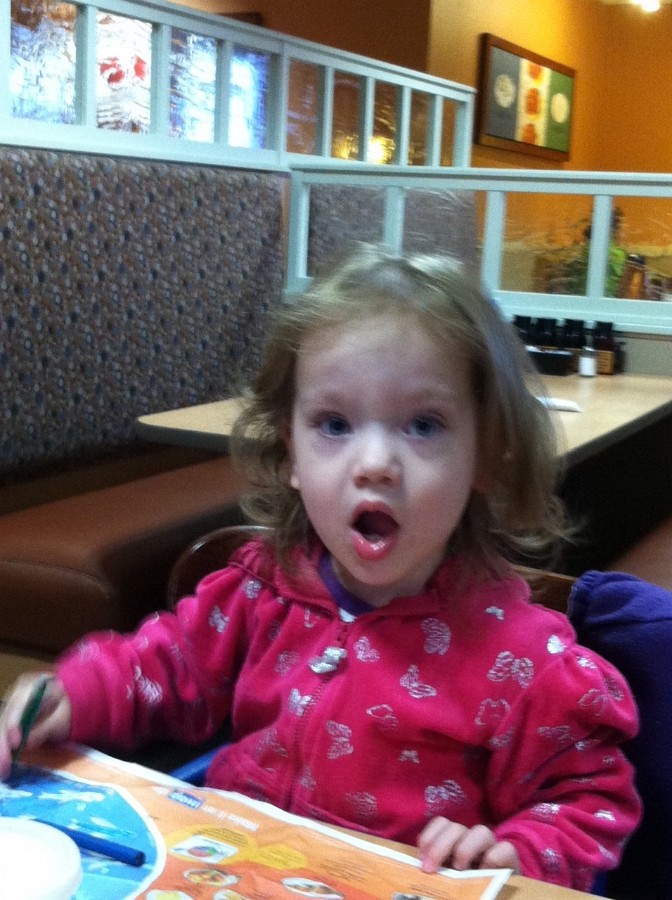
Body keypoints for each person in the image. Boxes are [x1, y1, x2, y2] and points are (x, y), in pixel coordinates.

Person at [0, 246, 640, 891]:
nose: (374, 463)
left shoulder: (524, 660)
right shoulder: (261, 588)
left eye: (423, 425)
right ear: (292, 456)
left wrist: (511, 853)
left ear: (486, 455)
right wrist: (77, 694)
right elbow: (167, 666)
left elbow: (586, 805)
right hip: (225, 865)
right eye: (334, 424)